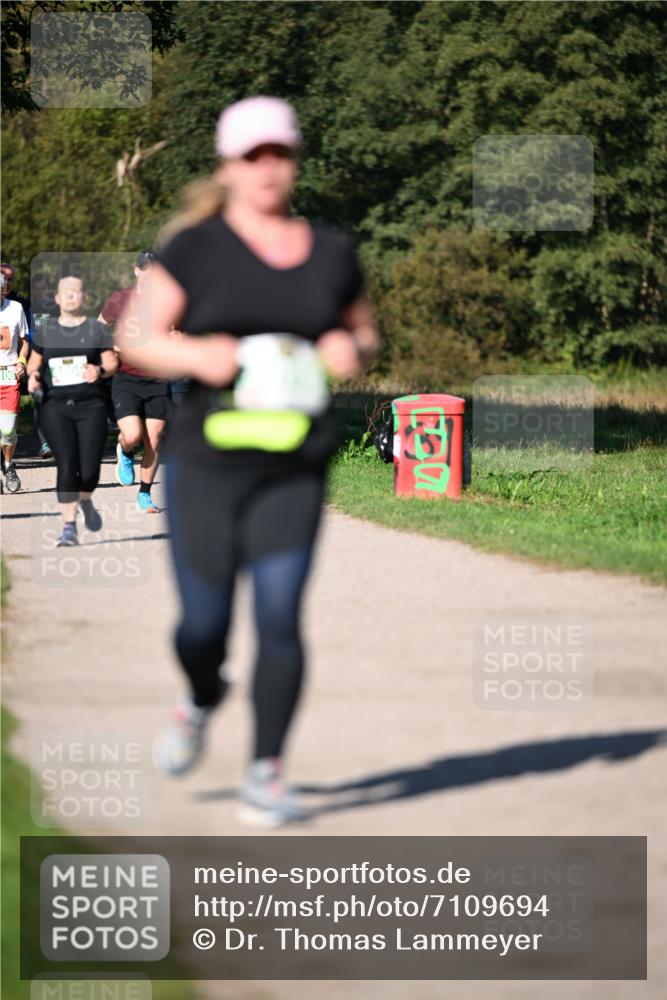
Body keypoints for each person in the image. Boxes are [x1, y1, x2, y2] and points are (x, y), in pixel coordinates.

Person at [115, 95, 379, 826]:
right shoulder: (195, 249)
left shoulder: (330, 251)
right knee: (203, 624)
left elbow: (362, 336)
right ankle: (200, 696)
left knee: (280, 617)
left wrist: (344, 351)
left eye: (279, 155)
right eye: (252, 156)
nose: (267, 168)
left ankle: (266, 771)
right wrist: (201, 352)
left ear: (294, 161)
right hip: (207, 462)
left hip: (294, 463)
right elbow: (137, 336)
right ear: (228, 166)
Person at [26, 275, 118, 546]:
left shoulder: (96, 330)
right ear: (57, 298)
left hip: (91, 405)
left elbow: (112, 362)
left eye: (75, 291)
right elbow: (34, 362)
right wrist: (33, 376)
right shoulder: (47, 331)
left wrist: (99, 370)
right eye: (64, 292)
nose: (69, 296)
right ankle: (68, 526)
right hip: (55, 407)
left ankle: (86, 500)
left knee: (89, 472)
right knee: (67, 463)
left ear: (83, 297)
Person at [98, 250, 169, 513]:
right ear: (137, 270)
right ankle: (125, 451)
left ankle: (145, 493)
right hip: (126, 377)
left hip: (158, 378)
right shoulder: (120, 299)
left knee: (155, 438)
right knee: (132, 434)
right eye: (145, 268)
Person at [0, 271, 30, 493]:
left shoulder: (15, 308)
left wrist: (21, 362)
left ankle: (8, 464)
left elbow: (24, 341)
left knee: (8, 430)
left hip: (9, 374)